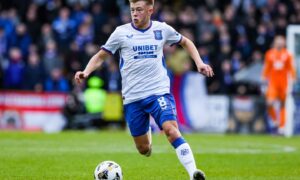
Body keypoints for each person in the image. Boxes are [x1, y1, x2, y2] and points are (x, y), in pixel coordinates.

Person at [75, 0, 213, 179]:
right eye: (132, 10)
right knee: (143, 149)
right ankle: (147, 132)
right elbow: (101, 56)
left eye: (139, 10)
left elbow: (186, 42)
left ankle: (193, 172)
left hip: (158, 92)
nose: (135, 13)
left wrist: (199, 63)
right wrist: (86, 72)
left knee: (171, 130)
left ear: (150, 10)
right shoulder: (121, 33)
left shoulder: (161, 29)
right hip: (133, 98)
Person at [262, 35, 296, 134]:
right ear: (275, 42)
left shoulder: (288, 54)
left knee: (282, 105)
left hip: (284, 84)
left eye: (282, 41)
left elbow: (291, 69)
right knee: (269, 104)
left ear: (284, 43)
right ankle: (275, 120)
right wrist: (263, 78)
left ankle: (281, 127)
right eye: (278, 41)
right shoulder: (269, 54)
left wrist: (292, 82)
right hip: (273, 84)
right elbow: (267, 68)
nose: (280, 43)